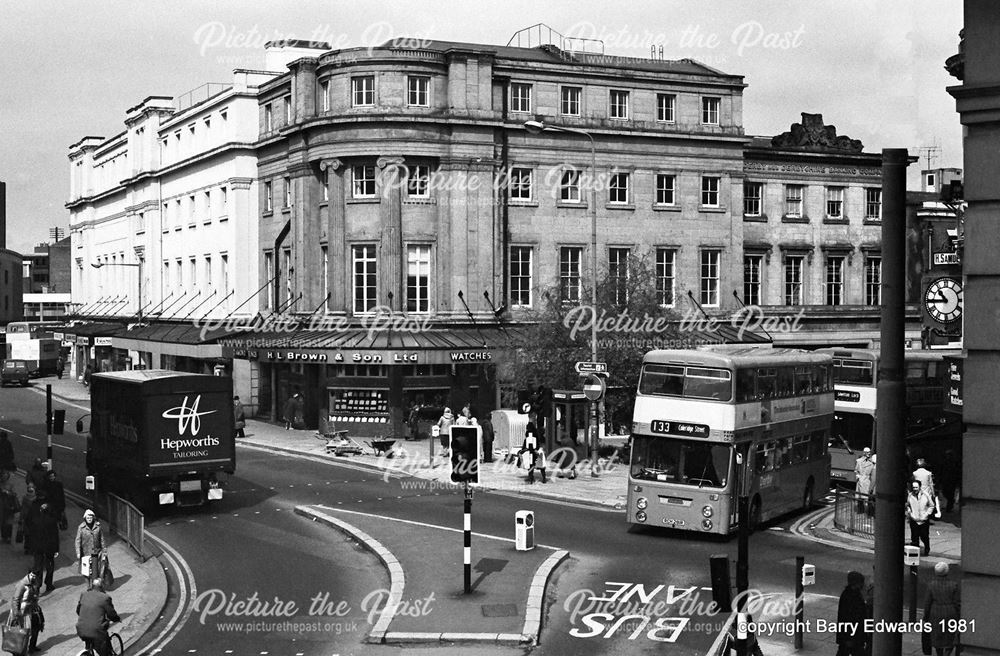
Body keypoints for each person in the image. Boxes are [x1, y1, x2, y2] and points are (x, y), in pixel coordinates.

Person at [75, 578, 120, 656]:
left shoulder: (84, 594)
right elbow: (111, 614)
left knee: (89, 641)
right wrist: (117, 619)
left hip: (81, 629)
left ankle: (88, 649)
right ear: (102, 586)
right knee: (105, 652)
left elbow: (78, 611)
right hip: (97, 631)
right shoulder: (105, 598)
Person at [924, 562, 961, 656]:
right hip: (950, 612)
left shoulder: (931, 585)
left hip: (935, 612)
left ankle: (939, 653)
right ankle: (947, 653)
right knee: (950, 635)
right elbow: (957, 602)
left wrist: (925, 617)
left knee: (937, 636)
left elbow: (927, 603)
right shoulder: (953, 585)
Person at [9, 570, 43, 653]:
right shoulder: (22, 584)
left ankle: (32, 647)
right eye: (32, 575)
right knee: (24, 632)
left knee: (36, 627)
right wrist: (17, 614)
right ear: (29, 574)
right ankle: (21, 650)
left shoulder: (35, 583)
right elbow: (15, 600)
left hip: (33, 609)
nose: (33, 577)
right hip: (23, 613)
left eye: (35, 576)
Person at [835, 571, 868, 656]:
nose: (863, 585)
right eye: (861, 583)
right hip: (852, 635)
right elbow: (848, 618)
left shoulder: (849, 594)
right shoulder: (851, 597)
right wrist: (849, 638)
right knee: (849, 651)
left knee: (844, 651)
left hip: (852, 635)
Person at [31, 502, 60, 593]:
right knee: (50, 566)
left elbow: (32, 535)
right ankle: (48, 584)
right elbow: (55, 536)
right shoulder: (52, 521)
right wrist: (56, 549)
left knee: (38, 566)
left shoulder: (35, 520)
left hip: (38, 548)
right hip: (49, 548)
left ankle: (37, 585)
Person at [905, 479, 936, 556]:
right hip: (914, 520)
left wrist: (927, 514)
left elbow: (931, 505)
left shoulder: (925, 495)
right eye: (913, 487)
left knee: (924, 536)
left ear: (920, 487)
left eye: (916, 487)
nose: (915, 489)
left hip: (923, 520)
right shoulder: (910, 495)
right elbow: (908, 505)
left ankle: (927, 549)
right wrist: (910, 513)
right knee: (914, 538)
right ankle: (915, 554)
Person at [76, 509, 106, 587]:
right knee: (86, 571)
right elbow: (78, 540)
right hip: (85, 553)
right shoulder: (81, 527)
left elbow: (102, 539)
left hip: (96, 552)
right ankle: (88, 586)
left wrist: (104, 551)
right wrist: (78, 552)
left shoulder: (98, 527)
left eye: (91, 518)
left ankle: (94, 586)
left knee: (96, 570)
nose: (89, 519)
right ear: (85, 518)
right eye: (88, 518)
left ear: (93, 518)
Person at [19, 483, 39, 555]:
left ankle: (29, 548)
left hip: (30, 517)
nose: (31, 489)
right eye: (29, 487)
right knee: (30, 534)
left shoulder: (26, 497)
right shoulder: (35, 498)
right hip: (30, 518)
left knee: (30, 534)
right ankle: (29, 548)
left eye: (32, 487)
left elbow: (23, 508)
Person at [855, 447, 875, 514]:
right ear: (864, 453)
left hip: (867, 480)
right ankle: (860, 511)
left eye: (869, 452)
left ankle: (868, 512)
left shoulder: (872, 462)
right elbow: (856, 470)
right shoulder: (859, 461)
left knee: (867, 497)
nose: (869, 453)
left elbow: (873, 473)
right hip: (860, 480)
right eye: (867, 452)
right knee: (860, 498)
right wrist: (858, 476)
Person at [1, 469, 19, 543]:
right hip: (1, 504)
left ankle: (8, 536)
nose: (4, 477)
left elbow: (14, 494)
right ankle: (4, 536)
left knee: (9, 521)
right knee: (2, 521)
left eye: (5, 476)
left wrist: (7, 492)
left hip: (9, 504)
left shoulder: (10, 484)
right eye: (3, 476)